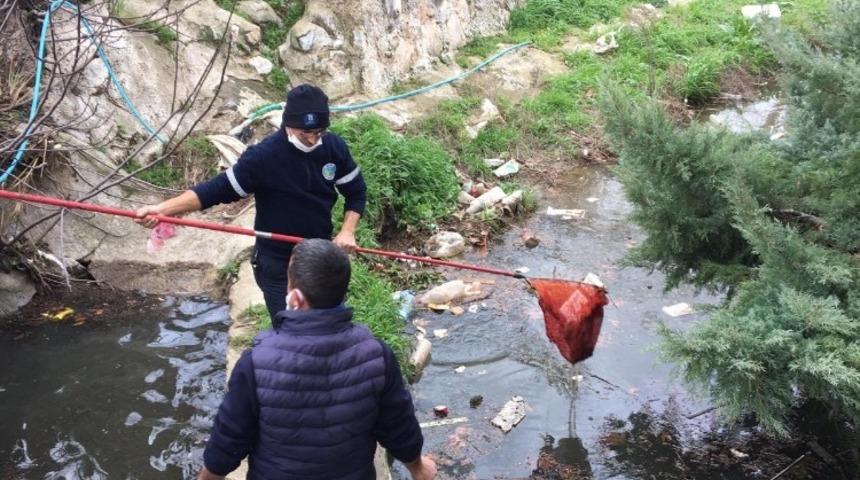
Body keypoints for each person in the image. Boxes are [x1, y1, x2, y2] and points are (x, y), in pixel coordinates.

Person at [195, 239, 437, 480]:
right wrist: (418, 469)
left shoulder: (256, 362)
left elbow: (229, 441)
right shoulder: (377, 355)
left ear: (296, 297)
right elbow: (397, 425)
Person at [136, 84, 367, 321]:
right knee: (290, 328)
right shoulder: (264, 157)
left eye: (318, 132)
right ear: (287, 125)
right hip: (277, 262)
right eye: (303, 133)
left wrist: (348, 231)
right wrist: (163, 209)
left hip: (318, 255)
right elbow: (216, 190)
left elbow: (356, 191)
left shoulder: (333, 147)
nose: (311, 140)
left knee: (326, 325)